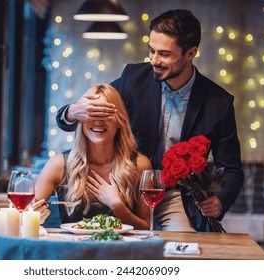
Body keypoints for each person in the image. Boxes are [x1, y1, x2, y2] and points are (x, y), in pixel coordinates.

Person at [56, 9, 244, 232]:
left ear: (191, 53)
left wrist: (221, 200)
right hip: (127, 189)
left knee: (180, 251)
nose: (154, 60)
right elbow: (91, 116)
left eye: (164, 54)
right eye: (151, 51)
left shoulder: (218, 103)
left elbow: (232, 169)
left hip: (175, 197)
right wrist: (71, 112)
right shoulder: (132, 79)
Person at [34, 83, 152, 230]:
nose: (98, 121)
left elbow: (147, 228)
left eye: (105, 114)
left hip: (123, 251)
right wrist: (35, 215)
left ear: (120, 121)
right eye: (92, 114)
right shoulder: (58, 164)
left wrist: (117, 205)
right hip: (73, 250)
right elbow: (27, 214)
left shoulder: (140, 164)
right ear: (80, 119)